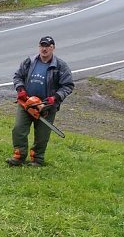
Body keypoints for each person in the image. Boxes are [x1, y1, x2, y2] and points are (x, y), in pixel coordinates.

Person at [7, 36, 74, 167]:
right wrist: (20, 89)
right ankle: (19, 156)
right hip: (27, 104)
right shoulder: (29, 62)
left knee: (42, 135)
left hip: (46, 107)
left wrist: (55, 98)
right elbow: (18, 76)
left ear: (53, 48)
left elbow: (68, 86)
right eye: (42, 46)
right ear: (39, 47)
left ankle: (37, 159)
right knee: (18, 129)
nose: (44, 49)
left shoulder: (60, 66)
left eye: (47, 46)